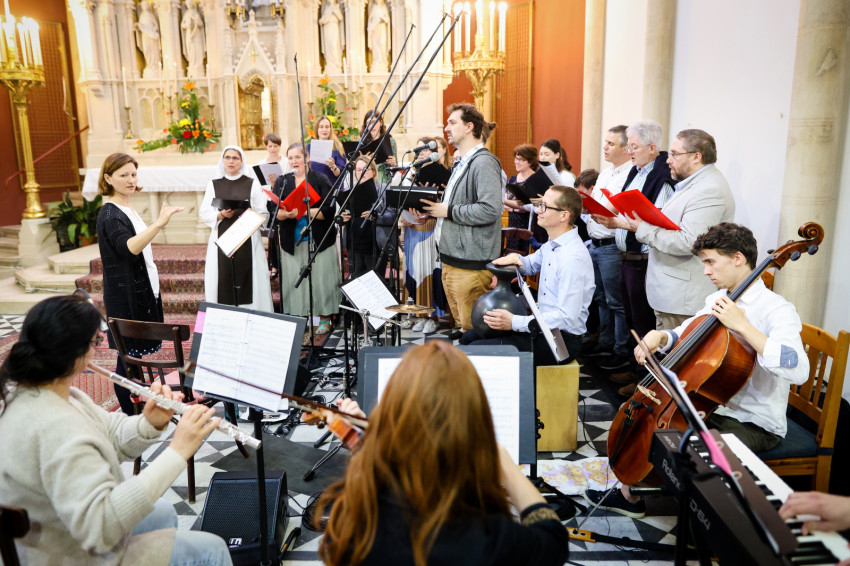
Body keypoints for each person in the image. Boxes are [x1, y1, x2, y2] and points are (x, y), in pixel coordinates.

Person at [584, 222, 809, 518]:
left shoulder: (776, 309)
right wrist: (661, 336)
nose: (706, 271)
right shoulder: (718, 298)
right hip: (710, 408)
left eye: (711, 262)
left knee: (686, 445)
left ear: (738, 258)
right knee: (653, 424)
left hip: (753, 420)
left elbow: (799, 369)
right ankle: (633, 492)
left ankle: (710, 523)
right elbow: (687, 333)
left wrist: (743, 326)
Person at [0, 294, 230, 566]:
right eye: (95, 342)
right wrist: (178, 451)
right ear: (75, 355)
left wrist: (150, 423)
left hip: (63, 529)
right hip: (70, 555)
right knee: (212, 549)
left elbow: (111, 432)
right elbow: (101, 528)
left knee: (162, 510)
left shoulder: (45, 392)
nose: (97, 349)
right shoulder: (56, 430)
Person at [316, 341, 570, 566]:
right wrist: (508, 470)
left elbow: (378, 486)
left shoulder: (353, 521)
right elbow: (553, 541)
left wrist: (374, 441)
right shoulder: (492, 540)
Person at [462, 185, 594, 364]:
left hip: (561, 342)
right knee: (469, 337)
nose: (538, 210)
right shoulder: (553, 243)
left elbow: (566, 317)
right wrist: (514, 259)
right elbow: (531, 264)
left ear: (564, 215)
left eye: (545, 206)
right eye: (540, 204)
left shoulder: (573, 257)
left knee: (476, 349)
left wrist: (514, 322)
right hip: (543, 328)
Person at [96, 152, 183, 415]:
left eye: (133, 174)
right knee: (126, 360)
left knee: (133, 358)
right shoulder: (110, 214)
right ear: (108, 178)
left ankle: (135, 409)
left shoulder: (126, 208)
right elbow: (129, 248)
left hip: (138, 290)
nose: (131, 180)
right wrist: (159, 223)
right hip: (125, 297)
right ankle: (129, 414)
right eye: (123, 175)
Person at [591, 120, 674, 394]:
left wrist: (617, 223)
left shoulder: (661, 176)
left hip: (644, 260)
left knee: (644, 322)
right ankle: (634, 367)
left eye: (634, 147)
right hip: (627, 256)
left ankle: (646, 382)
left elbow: (657, 220)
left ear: (652, 148)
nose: (629, 151)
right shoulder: (637, 171)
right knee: (631, 320)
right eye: (628, 146)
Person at [421, 103, 503, 337]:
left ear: (469, 127)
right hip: (453, 259)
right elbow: (456, 205)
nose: (446, 128)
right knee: (464, 326)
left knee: (475, 331)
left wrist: (448, 211)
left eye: (452, 122)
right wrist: (433, 210)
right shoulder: (462, 162)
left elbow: (490, 210)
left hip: (471, 263)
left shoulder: (483, 162)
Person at [268, 143, 341, 334]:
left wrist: (306, 210)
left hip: (319, 240)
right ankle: (299, 317)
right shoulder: (283, 181)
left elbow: (329, 210)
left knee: (322, 279)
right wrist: (287, 214)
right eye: (291, 158)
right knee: (295, 280)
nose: (294, 161)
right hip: (291, 240)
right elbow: (274, 211)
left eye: (298, 157)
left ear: (307, 158)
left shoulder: (319, 179)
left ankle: (324, 317)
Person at [199, 145, 273, 312]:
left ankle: (252, 314)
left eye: (235, 158)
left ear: (241, 161)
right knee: (223, 276)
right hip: (222, 236)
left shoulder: (251, 184)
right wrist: (220, 215)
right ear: (222, 160)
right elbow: (204, 212)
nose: (231, 161)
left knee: (249, 278)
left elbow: (263, 212)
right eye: (227, 157)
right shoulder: (214, 184)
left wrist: (247, 216)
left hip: (247, 236)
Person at [583, 125, 632, 366]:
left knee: (616, 302)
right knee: (601, 298)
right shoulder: (605, 173)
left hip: (612, 245)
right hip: (595, 243)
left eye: (611, 144)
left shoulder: (629, 174)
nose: (605, 147)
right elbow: (596, 205)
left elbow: (617, 210)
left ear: (626, 148)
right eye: (605, 142)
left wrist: (598, 210)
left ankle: (621, 349)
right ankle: (605, 340)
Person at [396, 136, 451, 335]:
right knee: (412, 271)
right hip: (413, 229)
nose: (420, 154)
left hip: (430, 228)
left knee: (427, 271)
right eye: (418, 150)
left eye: (424, 150)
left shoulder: (444, 173)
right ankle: (416, 313)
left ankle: (432, 316)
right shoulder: (412, 173)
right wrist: (406, 216)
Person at [503, 144, 539, 254]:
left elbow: (526, 206)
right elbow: (507, 204)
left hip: (527, 224)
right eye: (516, 158)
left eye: (521, 160)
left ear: (530, 161)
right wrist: (514, 207)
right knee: (510, 254)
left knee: (524, 256)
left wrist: (510, 204)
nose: (517, 162)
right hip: (512, 223)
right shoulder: (513, 178)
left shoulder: (534, 179)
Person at [360, 109, 397, 182]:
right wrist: (365, 160)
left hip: (383, 178)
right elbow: (356, 167)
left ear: (381, 123)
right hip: (366, 177)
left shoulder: (390, 141)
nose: (371, 126)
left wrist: (393, 164)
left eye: (374, 122)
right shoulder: (361, 142)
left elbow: (395, 168)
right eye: (368, 123)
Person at [310, 114, 348, 183]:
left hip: (331, 185)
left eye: (327, 127)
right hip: (313, 185)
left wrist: (333, 166)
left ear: (330, 129)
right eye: (321, 127)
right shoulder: (309, 147)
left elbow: (341, 174)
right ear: (317, 129)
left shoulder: (337, 147)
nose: (324, 130)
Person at [319, 0, 345, 73]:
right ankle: (330, 63)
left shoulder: (336, 7)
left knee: (333, 44)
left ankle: (336, 62)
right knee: (328, 46)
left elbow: (340, 18)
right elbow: (322, 20)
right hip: (327, 27)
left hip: (334, 26)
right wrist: (325, 18)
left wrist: (335, 11)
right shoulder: (326, 8)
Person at [135, 2, 161, 72]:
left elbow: (156, 26)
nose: (145, 6)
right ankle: (149, 64)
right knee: (146, 49)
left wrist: (152, 30)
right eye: (143, 5)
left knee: (153, 50)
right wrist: (138, 27)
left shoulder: (150, 15)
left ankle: (154, 64)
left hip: (152, 36)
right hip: (145, 36)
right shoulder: (142, 16)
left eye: (146, 5)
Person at [180, 0, 205, 73]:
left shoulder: (196, 13)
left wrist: (197, 22)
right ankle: (192, 63)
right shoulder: (186, 14)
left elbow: (201, 24)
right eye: (188, 4)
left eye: (190, 3)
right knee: (190, 48)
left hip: (197, 34)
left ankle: (198, 64)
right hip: (189, 34)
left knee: (197, 48)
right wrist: (187, 25)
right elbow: (182, 25)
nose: (189, 5)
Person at [367, 0, 391, 71]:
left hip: (382, 28)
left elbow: (387, 20)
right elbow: (370, 20)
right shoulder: (373, 8)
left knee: (382, 43)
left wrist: (382, 18)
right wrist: (372, 24)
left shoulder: (384, 8)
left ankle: (383, 60)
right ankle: (377, 60)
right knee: (375, 44)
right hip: (375, 29)